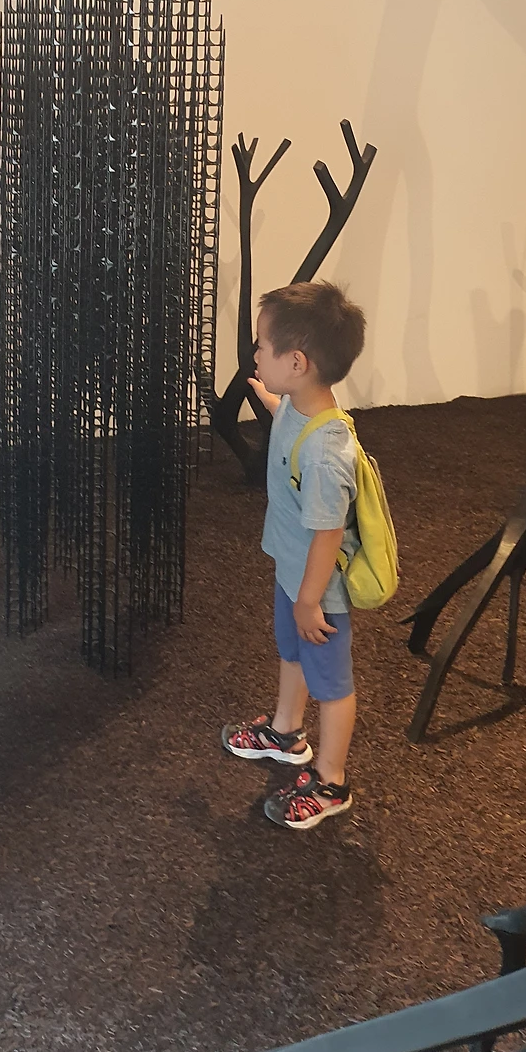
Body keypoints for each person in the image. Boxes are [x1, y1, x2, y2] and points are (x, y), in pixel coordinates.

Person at [219, 280, 366, 832]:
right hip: (293, 573)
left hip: (319, 592)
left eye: (261, 345)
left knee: (331, 683)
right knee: (291, 653)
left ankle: (331, 781)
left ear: (297, 362)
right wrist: (270, 399)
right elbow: (287, 417)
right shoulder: (297, 408)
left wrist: (309, 602)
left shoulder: (328, 454)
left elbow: (328, 534)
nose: (255, 353)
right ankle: (286, 733)